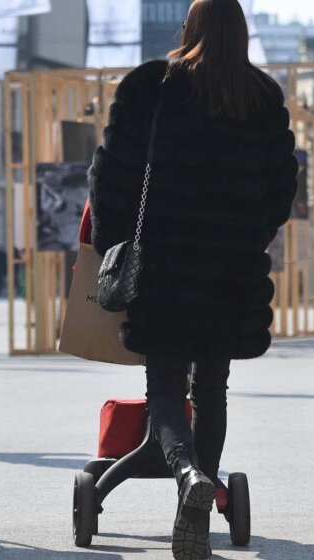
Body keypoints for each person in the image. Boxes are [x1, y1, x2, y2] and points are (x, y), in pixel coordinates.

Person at [88, 1, 297, 558]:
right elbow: (282, 187)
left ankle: (186, 475)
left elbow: (111, 174)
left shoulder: (152, 86)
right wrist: (249, 234)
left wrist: (114, 245)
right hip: (231, 268)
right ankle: (199, 494)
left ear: (190, 28)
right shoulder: (262, 95)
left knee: (165, 387)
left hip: (162, 262)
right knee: (211, 388)